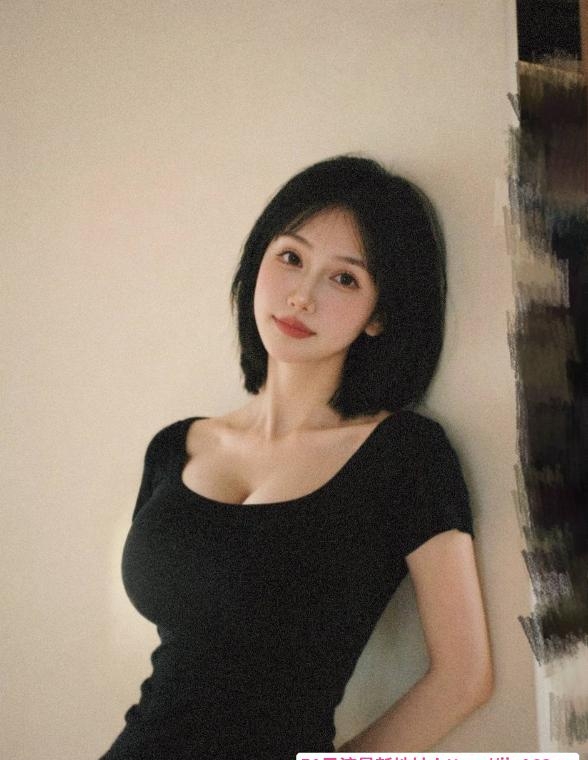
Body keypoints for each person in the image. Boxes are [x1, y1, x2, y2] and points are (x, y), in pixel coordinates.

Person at [99, 155, 493, 760]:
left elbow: (464, 679)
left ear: (379, 315)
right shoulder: (177, 447)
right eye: (290, 257)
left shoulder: (404, 456)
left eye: (345, 279)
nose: (302, 296)